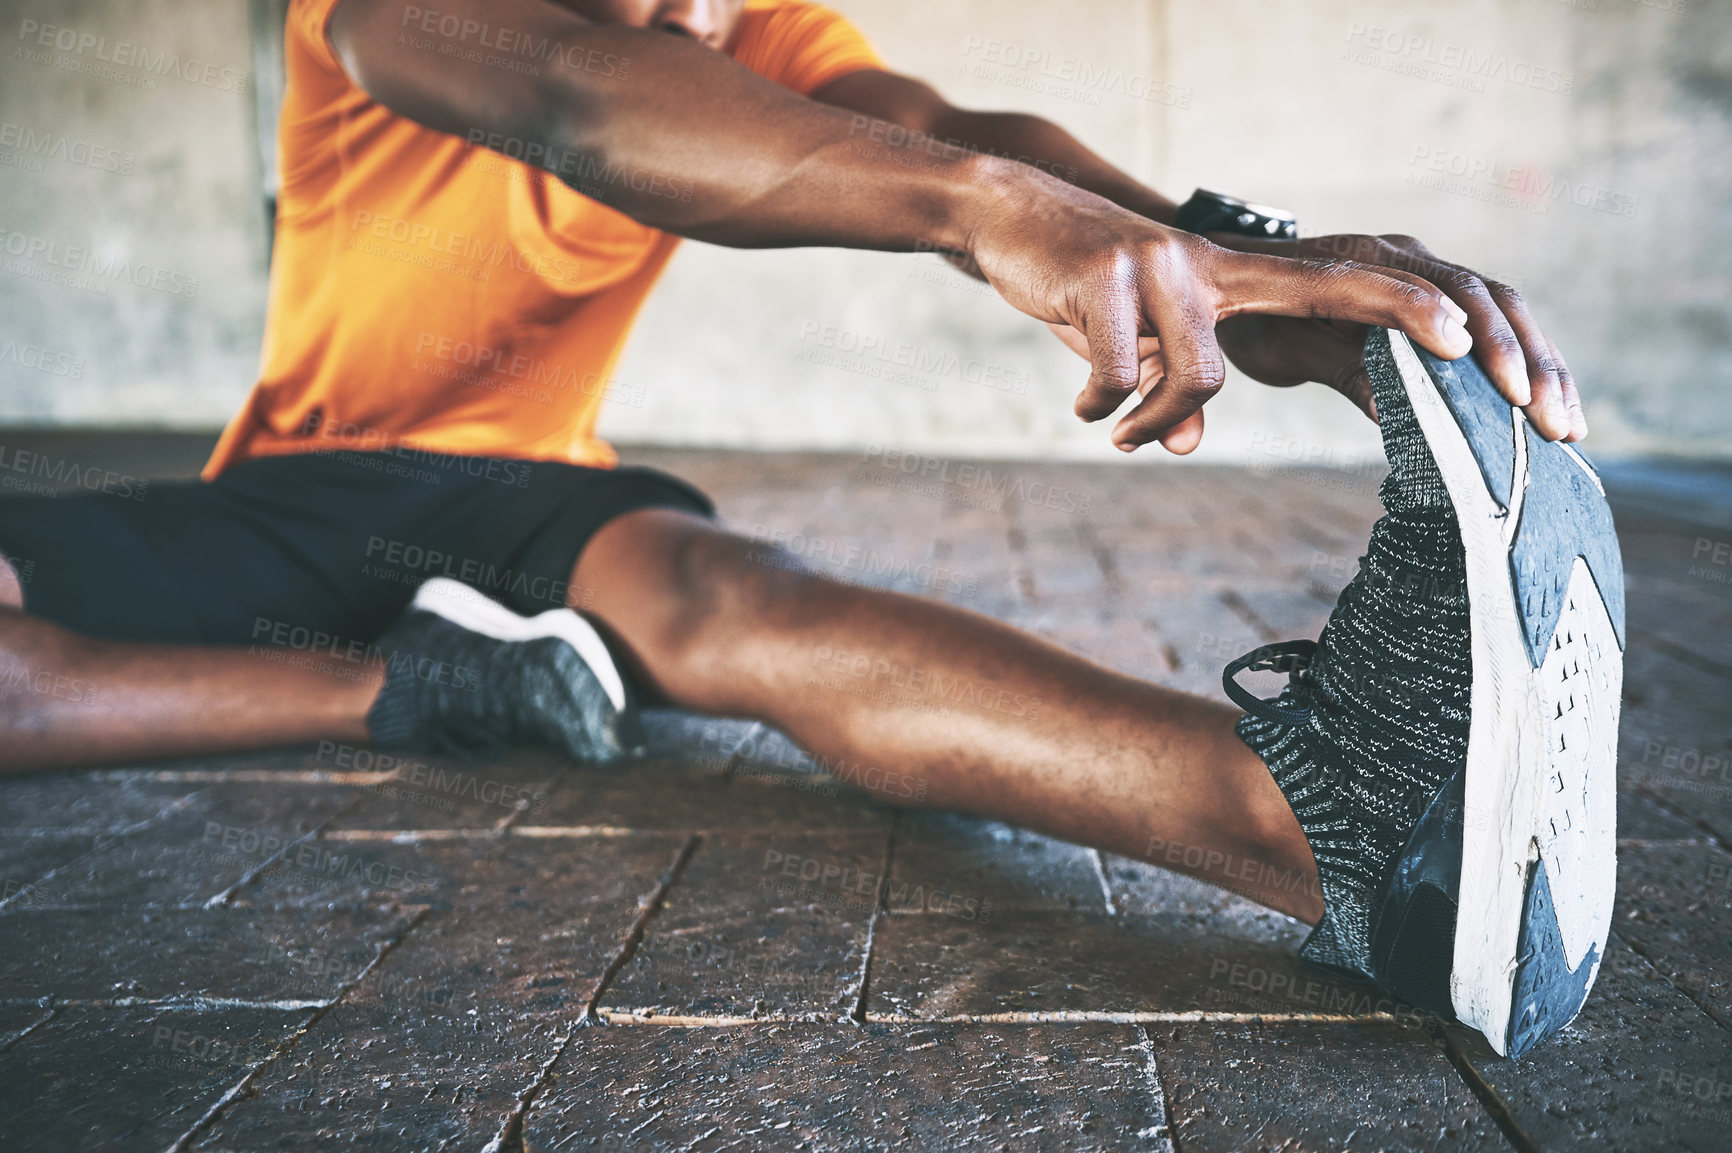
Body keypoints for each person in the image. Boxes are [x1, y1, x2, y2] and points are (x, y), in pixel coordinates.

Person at [0, 0, 1619, 1057]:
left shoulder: (744, 24)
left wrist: (1234, 270)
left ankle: (1345, 837)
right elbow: (577, 94)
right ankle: (411, 690)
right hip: (289, 501)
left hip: (535, 500)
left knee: (729, 599)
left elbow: (950, 133)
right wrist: (995, 221)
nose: (705, 19)